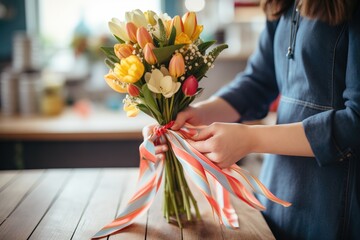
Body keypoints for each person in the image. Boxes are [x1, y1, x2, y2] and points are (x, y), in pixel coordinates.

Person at [144, 0, 360, 239]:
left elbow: (355, 122)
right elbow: (259, 81)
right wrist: (200, 113)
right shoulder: (283, 4)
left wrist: (250, 138)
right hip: (279, 191)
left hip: (336, 203)